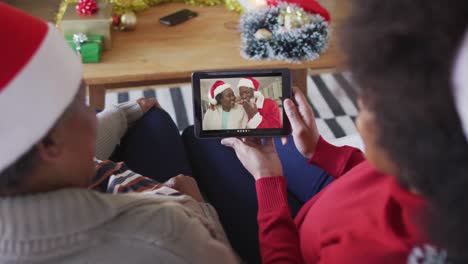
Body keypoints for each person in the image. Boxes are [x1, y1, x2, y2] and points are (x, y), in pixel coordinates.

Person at [185, 0, 468, 262]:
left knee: (198, 140)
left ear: (417, 142)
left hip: (287, 237)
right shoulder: (430, 174)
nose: (360, 102)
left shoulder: (366, 252)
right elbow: (373, 173)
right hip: (331, 199)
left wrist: (268, 180)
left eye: (371, 102)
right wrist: (320, 151)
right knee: (212, 139)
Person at [0, 4, 239, 263]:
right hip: (181, 214)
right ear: (48, 142)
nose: (94, 114)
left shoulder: (23, 163)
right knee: (194, 137)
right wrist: (196, 207)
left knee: (152, 118)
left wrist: (121, 115)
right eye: (84, 102)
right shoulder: (165, 234)